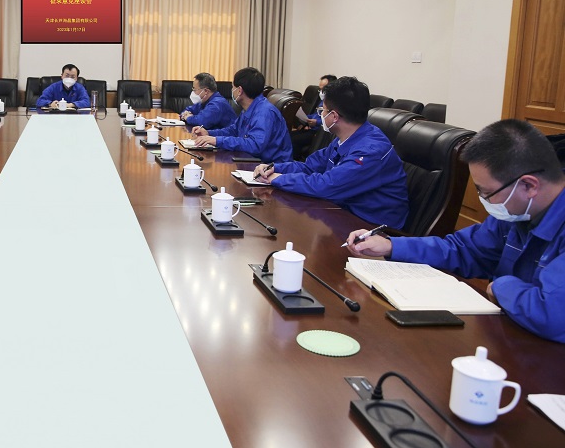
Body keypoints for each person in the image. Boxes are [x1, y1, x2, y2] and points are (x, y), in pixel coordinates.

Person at [347, 119, 565, 343]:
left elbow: (553, 316)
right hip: (512, 337)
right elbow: (463, 249)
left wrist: (501, 286)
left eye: (486, 192)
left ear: (529, 186)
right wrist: (392, 246)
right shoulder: (516, 213)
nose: (483, 201)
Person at [253, 76, 408, 227]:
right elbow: (309, 167)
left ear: (334, 116)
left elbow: (326, 185)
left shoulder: (371, 151)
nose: (321, 114)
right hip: (342, 213)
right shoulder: (345, 138)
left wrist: (277, 179)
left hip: (373, 228)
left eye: (323, 110)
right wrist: (274, 168)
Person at [191, 67, 293, 163]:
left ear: (239, 90)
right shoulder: (249, 108)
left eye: (233, 87)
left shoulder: (264, 112)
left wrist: (217, 141)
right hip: (252, 161)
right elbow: (233, 130)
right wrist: (208, 133)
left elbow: (254, 145)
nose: (232, 91)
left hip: (272, 167)